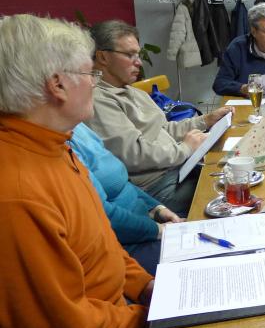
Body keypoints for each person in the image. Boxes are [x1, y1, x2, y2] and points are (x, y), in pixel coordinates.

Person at [0, 14, 154, 328]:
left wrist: (147, 287)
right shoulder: (17, 192)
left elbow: (103, 243)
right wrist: (149, 318)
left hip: (98, 323)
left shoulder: (55, 145)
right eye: (90, 74)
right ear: (57, 85)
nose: (95, 84)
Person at [85, 20, 233, 217]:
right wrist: (185, 149)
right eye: (129, 55)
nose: (139, 62)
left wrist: (205, 120)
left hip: (178, 168)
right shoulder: (98, 100)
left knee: (234, 173)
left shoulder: (132, 91)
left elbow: (163, 129)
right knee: (227, 194)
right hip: (156, 187)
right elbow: (135, 154)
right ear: (102, 56)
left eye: (138, 55)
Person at [69, 122, 183, 275]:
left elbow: (121, 182)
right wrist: (158, 230)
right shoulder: (64, 151)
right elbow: (104, 215)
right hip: (128, 246)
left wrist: (156, 208)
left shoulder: (78, 127)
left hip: (146, 224)